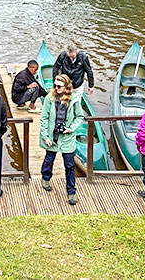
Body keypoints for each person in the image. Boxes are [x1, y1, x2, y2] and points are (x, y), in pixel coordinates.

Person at [39, 74, 83, 205]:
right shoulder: (49, 98)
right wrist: (45, 136)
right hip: (53, 136)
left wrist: (71, 128)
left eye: (59, 86)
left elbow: (79, 117)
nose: (56, 88)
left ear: (66, 87)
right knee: (49, 159)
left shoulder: (74, 99)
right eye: (55, 85)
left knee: (69, 165)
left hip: (67, 137)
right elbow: (44, 118)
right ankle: (46, 178)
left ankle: (71, 192)